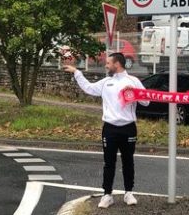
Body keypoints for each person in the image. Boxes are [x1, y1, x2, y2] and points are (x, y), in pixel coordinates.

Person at [64, 52, 149, 209]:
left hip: (128, 128)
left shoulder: (133, 81)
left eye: (108, 63)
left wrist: (135, 94)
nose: (106, 65)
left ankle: (129, 192)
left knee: (128, 161)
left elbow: (146, 102)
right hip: (109, 128)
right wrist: (77, 73)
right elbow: (89, 88)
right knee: (109, 162)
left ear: (117, 64)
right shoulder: (106, 82)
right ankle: (107, 195)